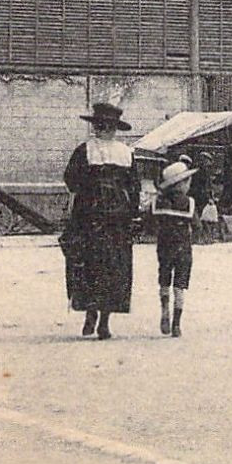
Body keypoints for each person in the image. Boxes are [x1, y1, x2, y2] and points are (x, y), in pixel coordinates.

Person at [62, 102, 141, 340]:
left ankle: (94, 315)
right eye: (103, 125)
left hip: (92, 218)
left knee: (91, 265)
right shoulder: (126, 153)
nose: (104, 129)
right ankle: (100, 319)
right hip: (114, 220)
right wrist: (132, 213)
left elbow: (71, 180)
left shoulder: (85, 150)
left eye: (105, 126)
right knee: (111, 268)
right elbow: (134, 188)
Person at [151, 157, 198, 337]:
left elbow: (149, 222)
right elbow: (197, 226)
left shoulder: (159, 202)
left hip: (164, 245)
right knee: (180, 285)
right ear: (181, 184)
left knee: (164, 278)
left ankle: (164, 310)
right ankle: (177, 324)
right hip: (183, 247)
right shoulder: (189, 203)